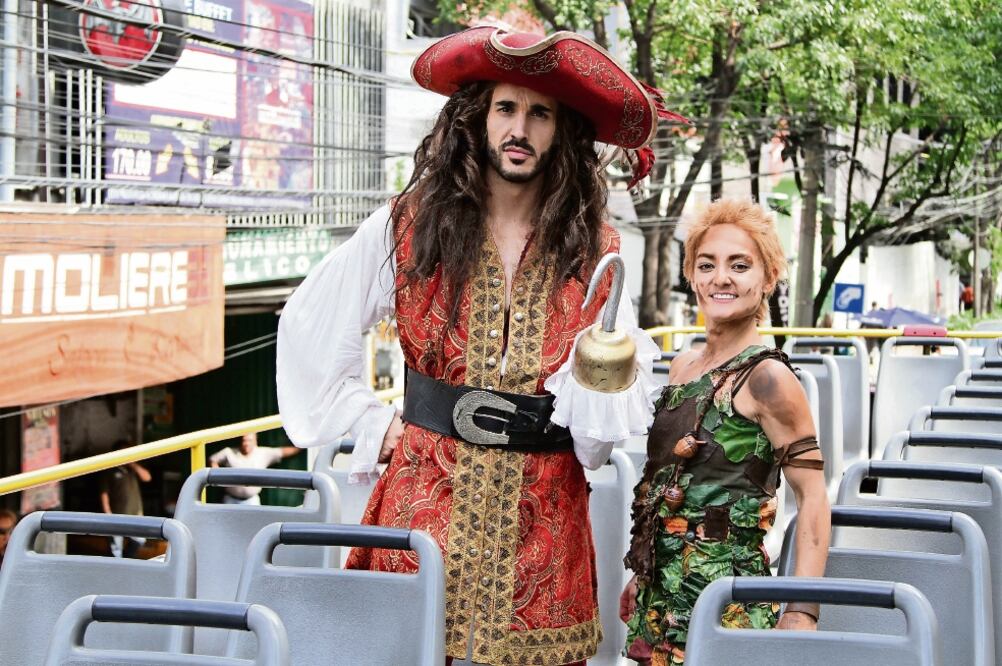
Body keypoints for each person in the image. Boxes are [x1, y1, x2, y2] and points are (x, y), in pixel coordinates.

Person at [277, 26, 680, 665]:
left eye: (540, 113)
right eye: (506, 108)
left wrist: (602, 386)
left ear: (564, 131)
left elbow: (598, 445)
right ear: (477, 118)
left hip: (543, 520)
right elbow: (309, 325)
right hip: (424, 498)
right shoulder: (408, 224)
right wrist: (372, 423)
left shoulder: (597, 255)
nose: (520, 128)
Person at [620, 200, 831, 665]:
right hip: (661, 601)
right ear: (692, 277)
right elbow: (666, 482)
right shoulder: (680, 368)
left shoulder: (769, 378)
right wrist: (641, 573)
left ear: (768, 279)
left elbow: (813, 497)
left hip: (728, 601)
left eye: (740, 265)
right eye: (707, 264)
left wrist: (802, 611)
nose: (722, 278)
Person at [208, 432, 300, 505]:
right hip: (231, 499)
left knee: (254, 526)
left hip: (251, 500)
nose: (246, 443)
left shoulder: (263, 453)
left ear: (255, 441)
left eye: (249, 440)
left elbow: (282, 452)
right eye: (244, 440)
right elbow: (213, 459)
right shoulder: (229, 452)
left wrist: (301, 446)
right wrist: (217, 474)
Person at [99, 440, 152, 558]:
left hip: (135, 514)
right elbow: (104, 493)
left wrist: (133, 464)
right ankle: (116, 569)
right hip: (117, 514)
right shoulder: (109, 470)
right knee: (116, 548)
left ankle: (127, 561)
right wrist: (107, 514)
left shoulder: (132, 470)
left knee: (140, 539)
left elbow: (147, 477)